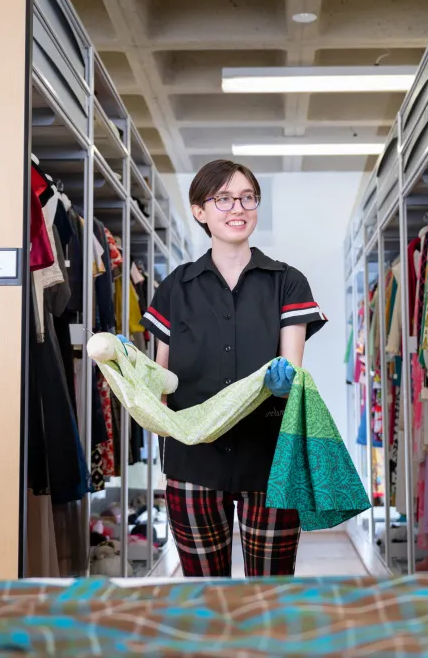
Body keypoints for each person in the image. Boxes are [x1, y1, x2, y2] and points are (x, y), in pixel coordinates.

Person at [137, 159, 326, 577]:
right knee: (207, 593)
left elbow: (291, 370)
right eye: (222, 199)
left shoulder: (287, 282)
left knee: (270, 592)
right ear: (199, 211)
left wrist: (284, 384)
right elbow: (160, 379)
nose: (237, 208)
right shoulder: (176, 287)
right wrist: (127, 367)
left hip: (270, 455)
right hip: (194, 458)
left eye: (246, 198)